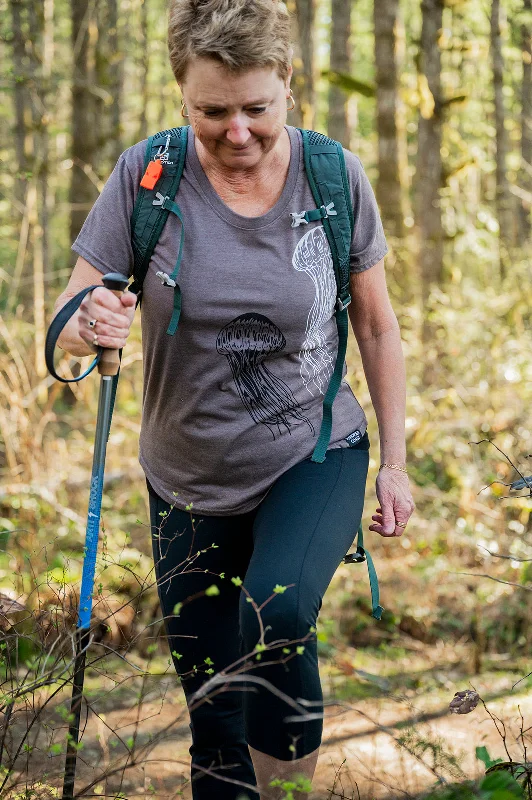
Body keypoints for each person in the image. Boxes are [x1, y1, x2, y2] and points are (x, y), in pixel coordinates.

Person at [52, 1, 415, 797]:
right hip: (185, 476)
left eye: (257, 108)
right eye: (212, 111)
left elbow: (379, 329)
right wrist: (92, 319)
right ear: (182, 95)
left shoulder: (331, 177)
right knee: (215, 710)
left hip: (312, 451)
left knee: (278, 615)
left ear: (289, 84)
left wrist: (395, 462)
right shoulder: (147, 176)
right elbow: (70, 326)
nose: (238, 130)